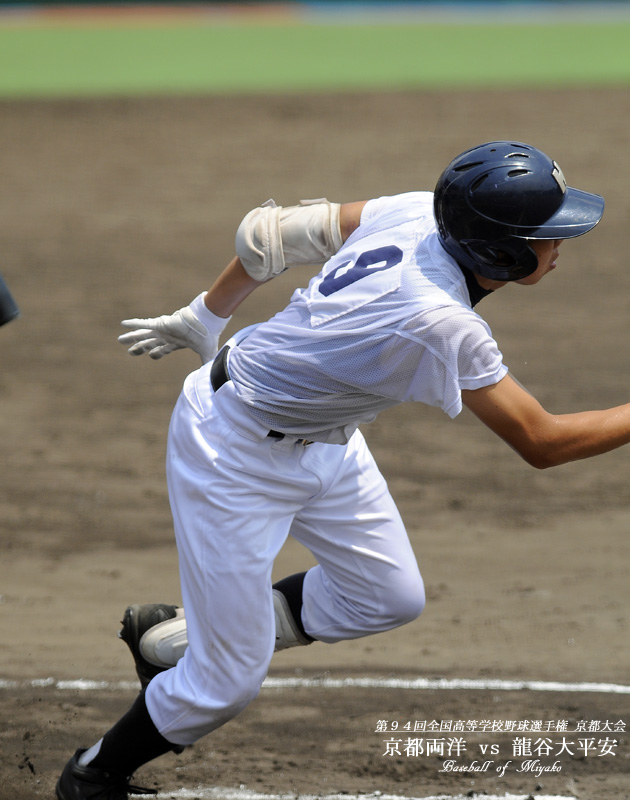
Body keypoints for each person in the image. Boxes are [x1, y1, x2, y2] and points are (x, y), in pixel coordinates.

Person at [57, 140, 625, 800]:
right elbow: (543, 441)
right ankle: (94, 773)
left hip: (323, 436)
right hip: (231, 451)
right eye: (546, 235)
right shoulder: (439, 321)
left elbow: (270, 235)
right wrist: (206, 317)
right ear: (500, 251)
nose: (561, 245)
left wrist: (209, 310)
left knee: (387, 595)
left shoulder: (419, 211)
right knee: (225, 684)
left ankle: (167, 640)